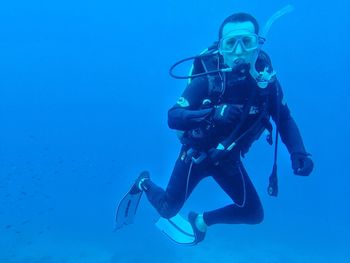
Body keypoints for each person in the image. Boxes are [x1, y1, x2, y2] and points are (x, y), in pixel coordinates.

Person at [134, 12, 314, 244]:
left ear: (258, 44)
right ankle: (143, 182)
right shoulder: (209, 80)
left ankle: (200, 220)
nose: (239, 52)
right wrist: (212, 113)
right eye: (231, 43)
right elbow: (174, 117)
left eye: (246, 42)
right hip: (195, 157)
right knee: (167, 209)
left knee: (253, 213)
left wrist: (298, 151)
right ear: (221, 48)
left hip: (228, 159)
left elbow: (285, 118)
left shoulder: (267, 84)